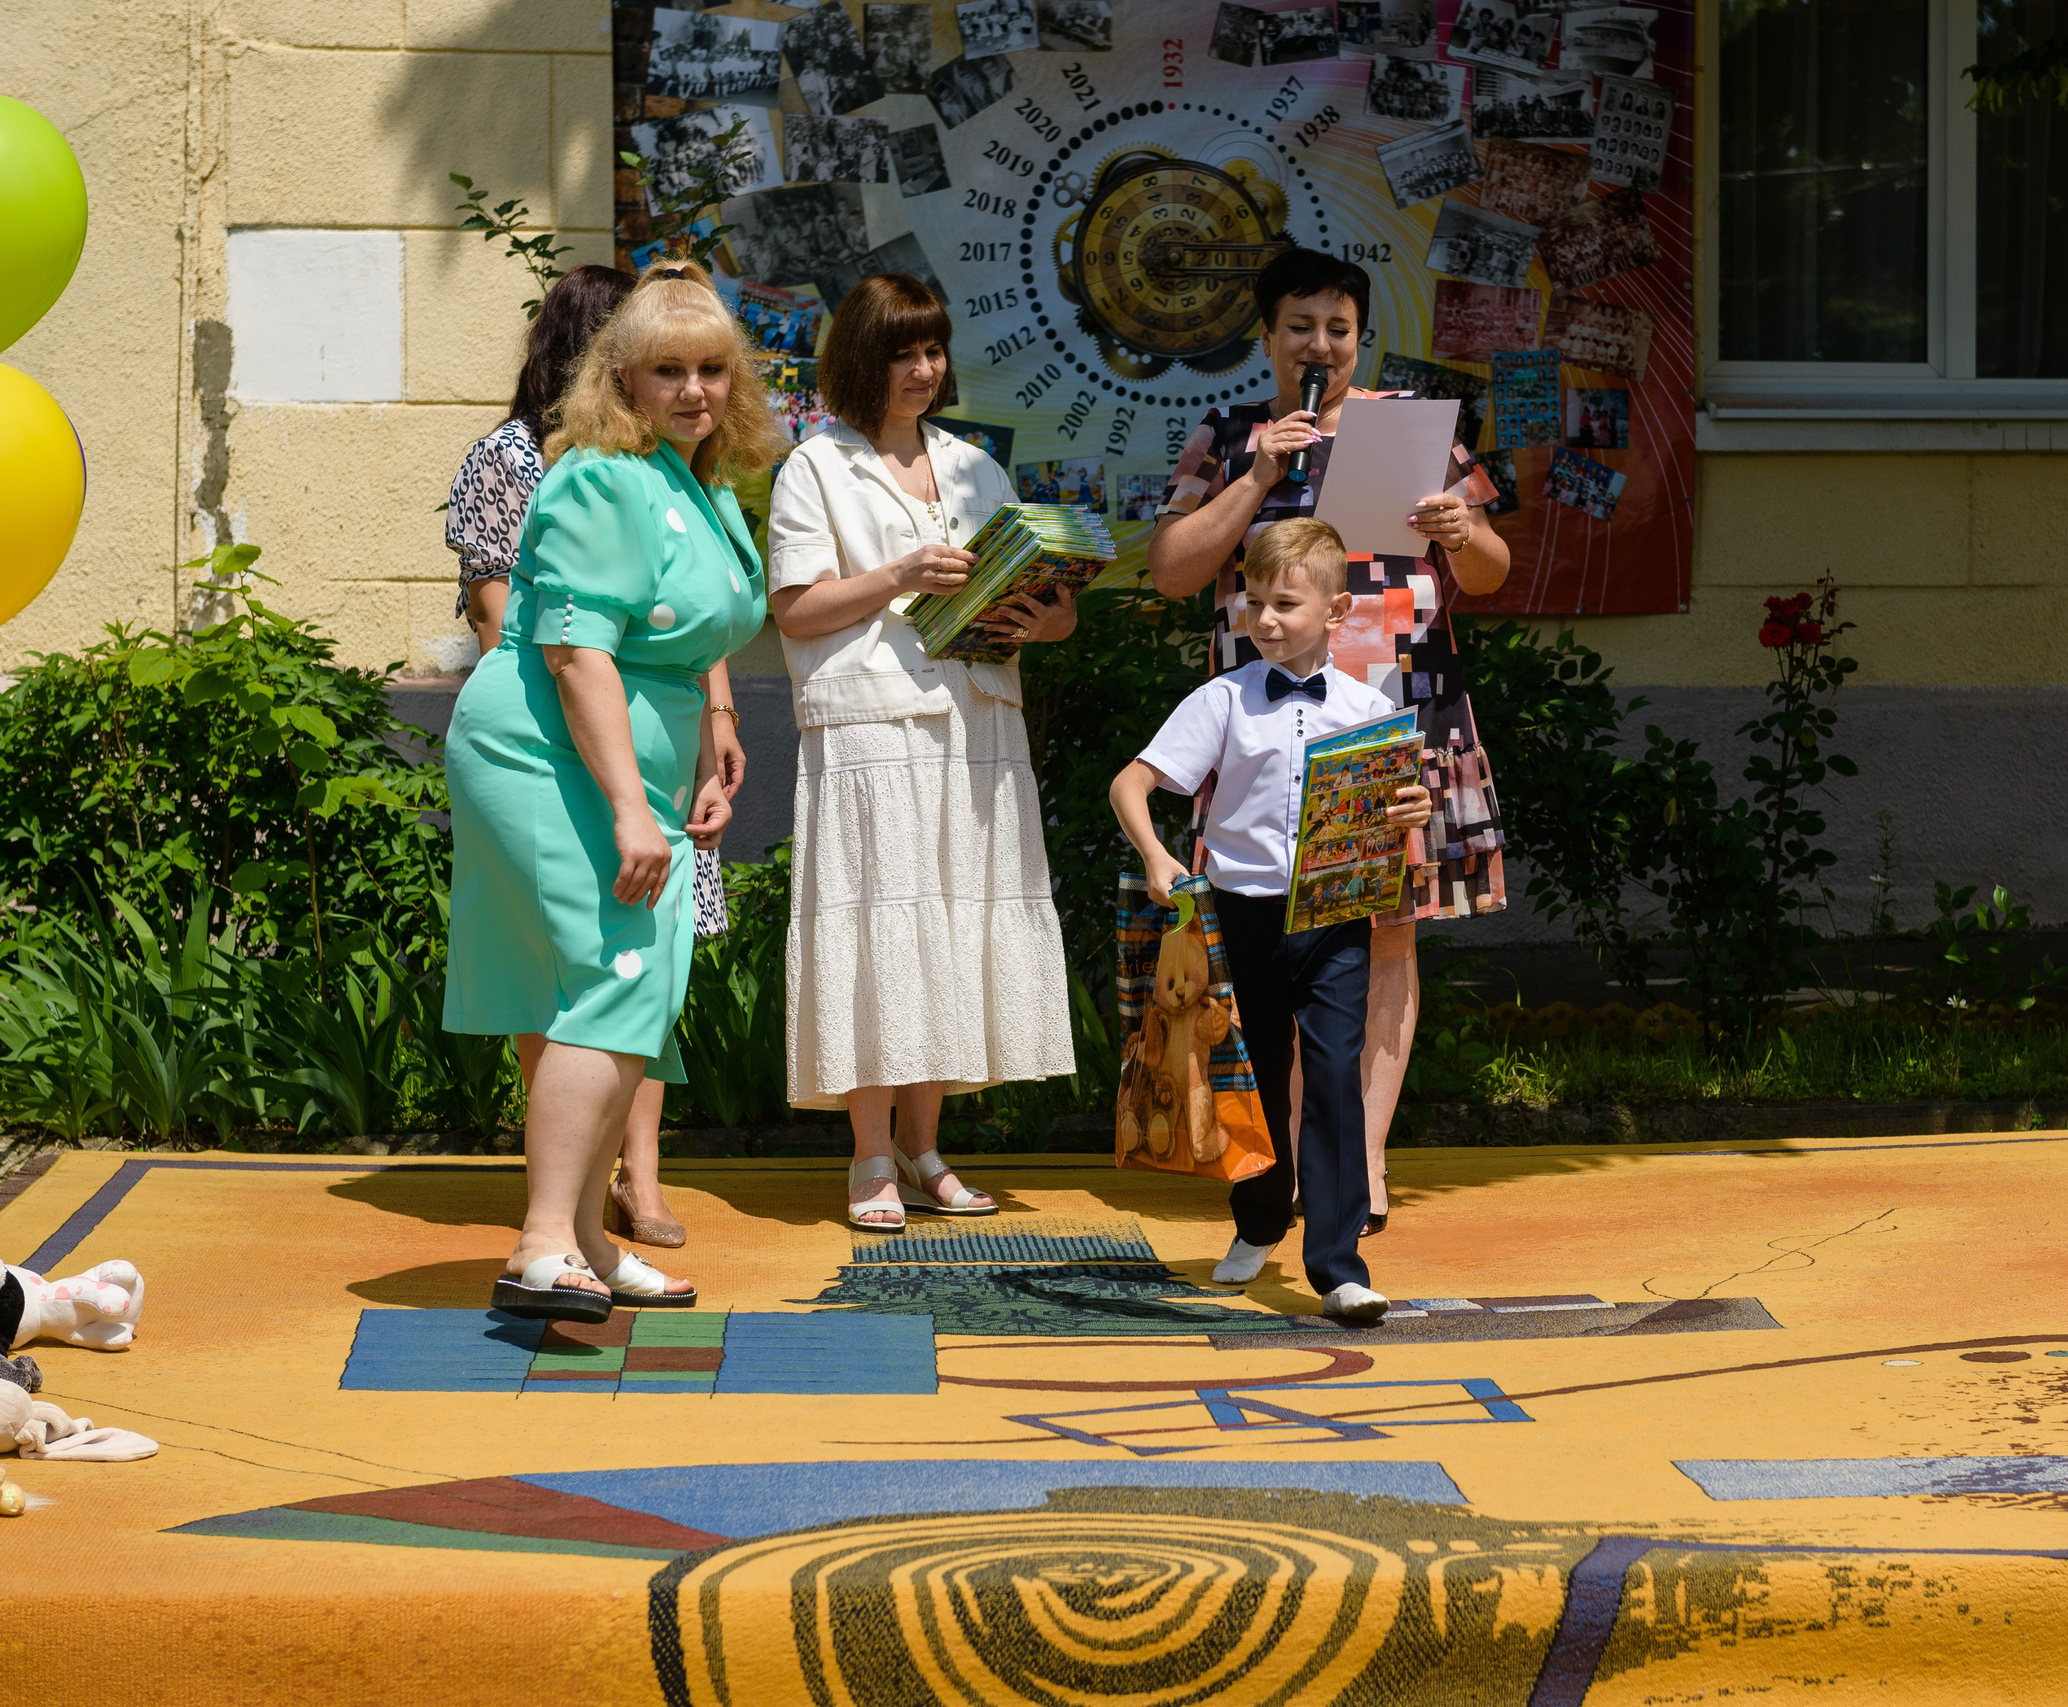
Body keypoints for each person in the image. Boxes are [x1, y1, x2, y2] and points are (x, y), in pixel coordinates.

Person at [442, 260, 785, 1318]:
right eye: (667, 371)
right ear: (620, 378)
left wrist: (696, 768)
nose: (693, 391)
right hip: (549, 750)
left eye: (713, 371)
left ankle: (588, 1232)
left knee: (636, 984)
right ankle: (544, 1245)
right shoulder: (598, 475)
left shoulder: (703, 485)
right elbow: (577, 652)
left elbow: (682, 654)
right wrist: (635, 807)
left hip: (631, 755)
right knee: (613, 976)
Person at [1147, 248, 1511, 1237]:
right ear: (1266, 338)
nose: (1321, 346)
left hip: (1396, 718)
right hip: (1266, 732)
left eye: (1339, 329)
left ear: (1360, 338)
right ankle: (1301, 1147)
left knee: (1384, 939)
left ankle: (1362, 1158)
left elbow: (1487, 572)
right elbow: (1172, 571)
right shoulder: (1226, 436)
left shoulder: (1411, 429)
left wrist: (1457, 528)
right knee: (1275, 942)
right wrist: (1260, 470)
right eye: (1301, 327)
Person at [765, 273, 1080, 1233]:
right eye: (903, 350)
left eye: (933, 349)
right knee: (876, 925)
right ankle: (868, 1154)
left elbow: (1038, 600)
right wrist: (898, 574)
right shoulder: (814, 467)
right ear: (861, 357)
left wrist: (1048, 613)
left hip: (977, 715)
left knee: (950, 926)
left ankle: (924, 1148)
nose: (924, 368)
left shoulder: (975, 466)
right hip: (871, 724)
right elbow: (795, 606)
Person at [1110, 519, 1434, 1319]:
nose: (1265, 618)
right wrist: (1158, 857)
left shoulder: (1368, 705)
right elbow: (1131, 783)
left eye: (1285, 602)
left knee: (1331, 1076)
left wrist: (1414, 805)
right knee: (1248, 1078)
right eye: (1254, 601)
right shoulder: (1224, 697)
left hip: (1334, 917)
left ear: (1337, 611)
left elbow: (1392, 809)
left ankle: (1338, 1264)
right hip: (1241, 918)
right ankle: (1258, 1221)